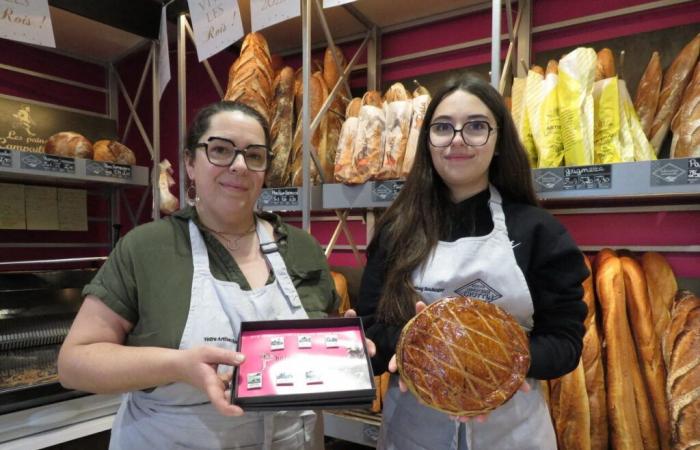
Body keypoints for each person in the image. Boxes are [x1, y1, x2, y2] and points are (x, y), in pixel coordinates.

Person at [58, 101, 339, 449]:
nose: (239, 165)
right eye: (220, 150)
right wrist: (178, 365)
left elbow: (314, 363)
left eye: (254, 156)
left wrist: (342, 352)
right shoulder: (147, 248)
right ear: (190, 163)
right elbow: (74, 364)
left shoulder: (303, 249)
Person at [356, 74, 589, 450]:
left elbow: (565, 342)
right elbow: (371, 329)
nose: (458, 139)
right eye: (443, 128)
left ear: (498, 141)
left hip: (512, 435)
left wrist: (492, 364)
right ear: (428, 141)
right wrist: (416, 349)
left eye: (476, 127)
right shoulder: (396, 230)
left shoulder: (538, 231)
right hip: (412, 434)